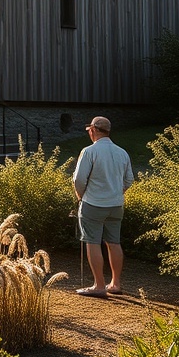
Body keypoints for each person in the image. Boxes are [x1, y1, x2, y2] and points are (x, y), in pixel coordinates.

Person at [72, 116, 134, 298]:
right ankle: (115, 283)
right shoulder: (122, 152)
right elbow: (129, 179)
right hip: (116, 205)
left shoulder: (89, 151)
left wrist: (81, 196)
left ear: (93, 130)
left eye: (89, 130)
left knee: (92, 242)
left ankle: (99, 285)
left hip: (93, 203)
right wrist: (117, 192)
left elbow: (79, 179)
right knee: (114, 242)